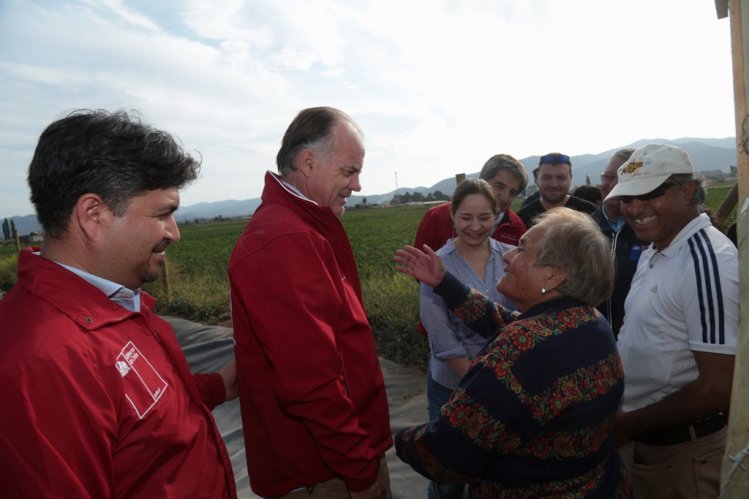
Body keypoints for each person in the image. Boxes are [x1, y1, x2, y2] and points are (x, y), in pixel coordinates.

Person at [0, 110, 237, 498]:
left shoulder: (107, 302)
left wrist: (215, 389)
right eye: (163, 214)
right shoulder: (41, 361)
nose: (175, 234)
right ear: (94, 216)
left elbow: (129, 405)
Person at [393, 208, 630, 498]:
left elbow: (447, 453)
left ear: (553, 276)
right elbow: (506, 321)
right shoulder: (587, 320)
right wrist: (445, 283)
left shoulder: (522, 346)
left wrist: (396, 438)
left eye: (522, 249)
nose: (507, 255)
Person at [228, 107, 392, 499]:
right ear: (308, 162)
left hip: (337, 457)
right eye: (349, 171)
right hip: (326, 470)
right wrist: (360, 470)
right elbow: (309, 383)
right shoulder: (285, 240)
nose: (357, 185)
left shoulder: (304, 226)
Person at [606, 144, 738, 498]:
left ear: (687, 191)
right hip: (648, 446)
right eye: (628, 198)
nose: (634, 209)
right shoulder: (655, 249)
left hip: (683, 457)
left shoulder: (705, 261)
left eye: (649, 194)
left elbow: (717, 387)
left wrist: (627, 425)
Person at [420, 178, 516, 499]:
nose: (475, 226)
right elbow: (442, 338)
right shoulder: (437, 264)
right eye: (466, 217)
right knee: (448, 477)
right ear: (452, 216)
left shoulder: (513, 257)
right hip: (451, 387)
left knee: (496, 474)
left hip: (506, 386)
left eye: (484, 217)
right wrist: (482, 385)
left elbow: (523, 322)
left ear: (497, 216)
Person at [414, 153, 528, 251]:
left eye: (513, 192)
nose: (505, 197)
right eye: (499, 186)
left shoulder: (518, 228)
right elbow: (420, 265)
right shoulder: (436, 217)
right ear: (481, 181)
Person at [591, 147, 647, 337]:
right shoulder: (582, 229)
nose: (611, 184)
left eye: (621, 178)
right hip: (591, 339)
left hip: (638, 340)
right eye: (607, 177)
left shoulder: (649, 231)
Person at [517, 152, 596, 227]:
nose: (553, 184)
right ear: (537, 178)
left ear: (570, 179)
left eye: (561, 178)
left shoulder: (589, 212)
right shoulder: (523, 218)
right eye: (547, 177)